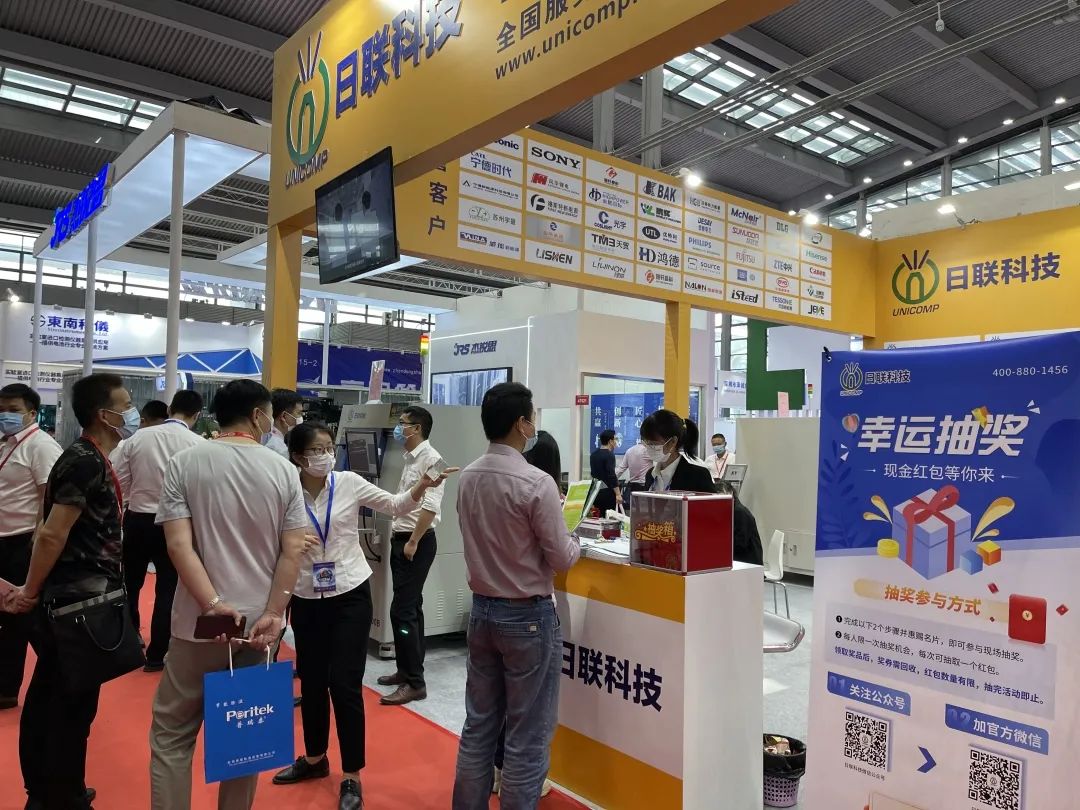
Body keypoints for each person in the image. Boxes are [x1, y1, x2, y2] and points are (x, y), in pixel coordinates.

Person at [271, 422, 454, 809]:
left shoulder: (349, 482)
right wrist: (288, 542)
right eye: (317, 450)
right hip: (305, 595)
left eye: (328, 447)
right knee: (313, 682)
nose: (326, 455)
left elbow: (396, 505)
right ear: (298, 457)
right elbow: (267, 535)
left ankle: (351, 775)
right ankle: (315, 759)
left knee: (345, 684)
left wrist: (422, 487)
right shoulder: (285, 490)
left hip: (350, 595)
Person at [149, 379, 308, 810]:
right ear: (258, 415)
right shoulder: (283, 470)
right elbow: (294, 548)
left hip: (197, 623)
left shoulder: (185, 462)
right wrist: (275, 611)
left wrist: (214, 605)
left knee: (172, 736)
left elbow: (178, 547)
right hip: (258, 627)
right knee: (245, 737)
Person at [5, 373, 139, 810]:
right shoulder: (83, 460)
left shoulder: (92, 457)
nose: (132, 411)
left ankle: (57, 789)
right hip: (74, 605)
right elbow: (51, 533)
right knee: (66, 706)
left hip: (82, 598)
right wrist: (31, 590)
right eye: (126, 404)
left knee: (61, 699)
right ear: (105, 414)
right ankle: (57, 795)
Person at [452, 382, 581, 809]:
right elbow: (561, 558)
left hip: (482, 612)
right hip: (528, 618)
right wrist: (576, 540)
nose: (534, 424)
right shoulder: (536, 482)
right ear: (522, 424)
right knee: (527, 736)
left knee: (479, 727)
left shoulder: (468, 476)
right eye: (532, 417)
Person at [111, 390, 204, 671]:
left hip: (137, 520)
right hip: (176, 524)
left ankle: (129, 641)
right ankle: (157, 654)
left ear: (170, 408)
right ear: (197, 415)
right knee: (168, 589)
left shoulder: (136, 439)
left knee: (130, 584)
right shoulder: (198, 445)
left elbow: (117, 481)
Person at [0, 384, 62, 711]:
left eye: (13, 410)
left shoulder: (41, 446)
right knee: (8, 616)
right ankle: (7, 685)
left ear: (32, 412)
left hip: (22, 543)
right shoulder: (6, 443)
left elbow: (49, 497)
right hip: (4, 540)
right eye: (1, 410)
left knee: (22, 617)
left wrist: (38, 539)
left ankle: (14, 686)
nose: (5, 415)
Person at [379, 406, 446, 707]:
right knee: (411, 607)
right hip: (403, 538)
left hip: (416, 542)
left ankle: (415, 683)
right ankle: (406, 670)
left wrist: (414, 541)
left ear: (416, 428)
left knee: (402, 611)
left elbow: (430, 506)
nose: (399, 428)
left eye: (403, 423)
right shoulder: (411, 458)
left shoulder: (432, 459)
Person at [641, 410, 716, 494]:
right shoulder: (650, 475)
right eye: (646, 443)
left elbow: (712, 502)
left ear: (673, 442)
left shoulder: (698, 475)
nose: (649, 448)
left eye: (654, 444)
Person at [715, 481, 764, 566]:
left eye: (722, 496)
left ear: (731, 493)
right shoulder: (730, 509)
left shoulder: (739, 512)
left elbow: (740, 543)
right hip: (740, 558)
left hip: (749, 562)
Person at [589, 429, 622, 516]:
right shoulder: (609, 455)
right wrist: (618, 494)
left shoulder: (593, 455)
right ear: (610, 441)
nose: (616, 441)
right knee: (609, 518)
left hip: (596, 492)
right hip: (608, 493)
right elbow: (611, 475)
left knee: (598, 517)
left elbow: (593, 474)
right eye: (615, 439)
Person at [264, 388, 304, 458]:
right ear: (284, 416)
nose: (301, 417)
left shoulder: (265, 437)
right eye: (299, 413)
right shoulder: (278, 448)